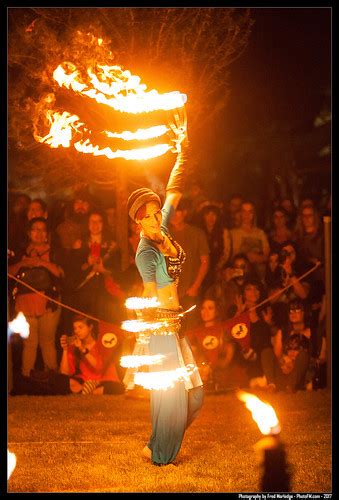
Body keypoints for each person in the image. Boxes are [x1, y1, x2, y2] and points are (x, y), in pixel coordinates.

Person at [125, 120, 203, 466]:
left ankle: (157, 440)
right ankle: (161, 455)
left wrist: (183, 150)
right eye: (149, 217)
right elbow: (148, 292)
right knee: (174, 398)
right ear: (138, 223)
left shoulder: (164, 228)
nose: (156, 218)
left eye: (157, 213)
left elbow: (174, 189)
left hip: (175, 327)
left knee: (196, 396)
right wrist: (145, 337)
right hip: (161, 329)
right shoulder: (145, 252)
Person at [11, 315, 125, 396]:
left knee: (117, 388)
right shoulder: (74, 346)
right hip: (83, 383)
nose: (77, 331)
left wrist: (82, 349)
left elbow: (98, 367)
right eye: (75, 328)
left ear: (90, 328)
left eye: (81, 327)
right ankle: (84, 391)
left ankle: (89, 391)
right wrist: (65, 350)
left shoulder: (101, 344)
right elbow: (65, 373)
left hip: (103, 381)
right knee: (59, 380)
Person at [8, 217, 63, 378]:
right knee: (30, 343)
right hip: (25, 303)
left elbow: (60, 273)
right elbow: (10, 274)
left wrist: (41, 263)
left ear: (47, 233)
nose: (39, 233)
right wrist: (22, 264)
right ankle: (26, 377)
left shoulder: (54, 251)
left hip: (48, 302)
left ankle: (52, 377)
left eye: (42, 230)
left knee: (47, 342)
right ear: (29, 233)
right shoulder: (20, 252)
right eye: (35, 229)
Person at [169, 197, 210, 329]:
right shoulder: (163, 235)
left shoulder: (196, 233)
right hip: (168, 292)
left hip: (189, 291)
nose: (174, 216)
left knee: (190, 328)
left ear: (184, 213)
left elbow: (205, 262)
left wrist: (195, 286)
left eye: (177, 212)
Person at [186, 297, 240, 392]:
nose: (205, 311)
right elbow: (190, 353)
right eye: (203, 308)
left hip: (221, 369)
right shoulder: (196, 331)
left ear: (217, 311)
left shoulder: (223, 329)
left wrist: (217, 365)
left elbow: (230, 350)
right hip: (200, 369)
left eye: (210, 308)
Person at [230, 200, 270, 281]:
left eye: (250, 212)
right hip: (239, 277)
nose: (246, 215)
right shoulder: (232, 233)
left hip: (259, 277)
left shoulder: (260, 233)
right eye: (244, 211)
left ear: (253, 214)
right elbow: (231, 257)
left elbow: (267, 256)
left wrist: (257, 257)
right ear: (240, 213)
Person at [196, 202, 232, 293]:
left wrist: (218, 267)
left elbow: (226, 252)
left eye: (213, 214)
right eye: (208, 214)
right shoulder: (198, 232)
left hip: (218, 269)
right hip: (200, 269)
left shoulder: (224, 232)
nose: (211, 217)